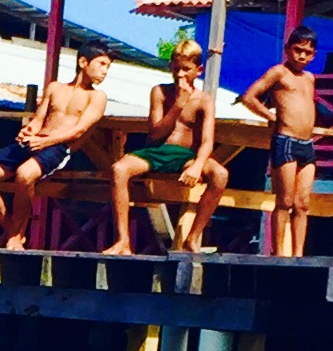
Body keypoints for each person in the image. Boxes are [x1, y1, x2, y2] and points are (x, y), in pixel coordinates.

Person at [0, 42, 113, 250]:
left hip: (58, 148)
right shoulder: (55, 88)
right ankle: (12, 232)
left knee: (25, 174)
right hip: (35, 141)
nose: (105, 71)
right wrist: (29, 130)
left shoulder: (97, 96)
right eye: (101, 64)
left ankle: (15, 235)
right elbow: (38, 119)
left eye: (108, 67)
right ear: (83, 62)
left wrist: (45, 141)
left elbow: (79, 130)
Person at [102, 39, 228, 255]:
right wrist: (178, 104)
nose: (180, 74)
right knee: (118, 169)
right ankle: (123, 240)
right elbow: (155, 133)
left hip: (185, 155)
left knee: (220, 174)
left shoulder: (204, 100)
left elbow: (207, 140)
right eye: (176, 68)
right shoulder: (159, 92)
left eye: (186, 69)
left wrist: (197, 165)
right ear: (170, 66)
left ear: (198, 70)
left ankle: (193, 238)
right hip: (156, 151)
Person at [239, 25, 320, 258]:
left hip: (307, 143)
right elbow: (249, 97)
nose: (301, 56)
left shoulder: (310, 78)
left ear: (313, 55)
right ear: (287, 49)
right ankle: (279, 253)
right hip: (285, 140)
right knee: (284, 200)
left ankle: (298, 254)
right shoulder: (279, 72)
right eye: (297, 50)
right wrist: (272, 117)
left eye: (307, 52)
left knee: (302, 203)